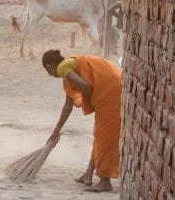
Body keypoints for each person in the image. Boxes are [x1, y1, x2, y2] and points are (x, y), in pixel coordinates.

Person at [42, 49, 122, 192]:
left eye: (48, 71)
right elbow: (67, 107)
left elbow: (87, 88)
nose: (50, 74)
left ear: (50, 66)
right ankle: (88, 174)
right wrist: (56, 131)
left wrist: (86, 99)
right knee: (100, 135)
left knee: (105, 137)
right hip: (112, 85)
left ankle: (105, 181)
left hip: (111, 90)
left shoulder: (63, 68)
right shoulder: (68, 71)